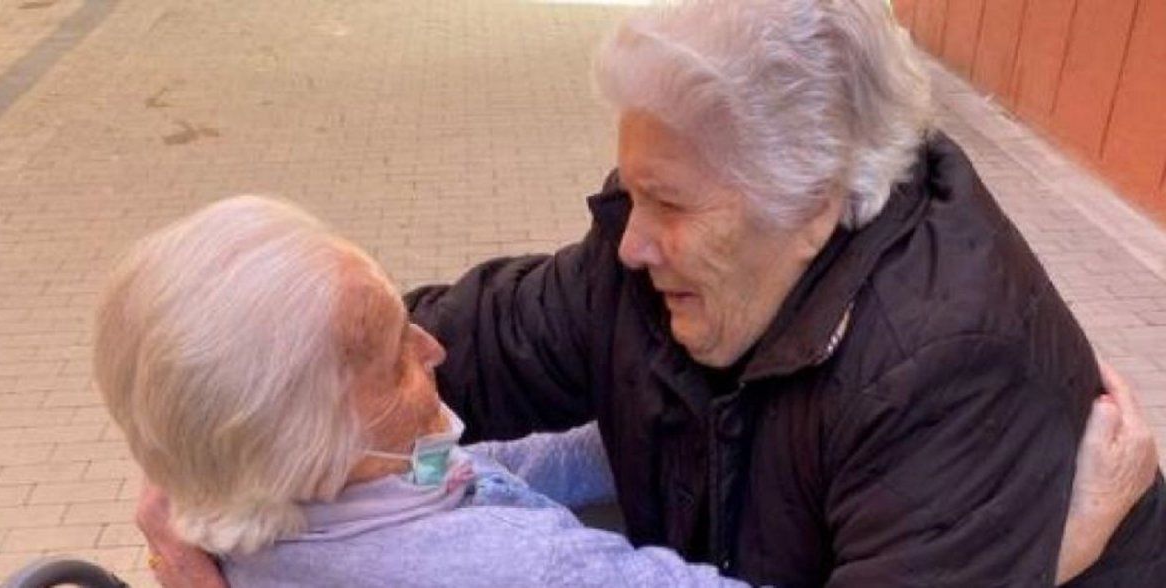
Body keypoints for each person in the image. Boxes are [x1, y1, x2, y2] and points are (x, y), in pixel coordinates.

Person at [137, 1, 1166, 586]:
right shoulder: (651, 265)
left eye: (667, 201)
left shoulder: (943, 363)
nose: (628, 242)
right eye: (630, 191)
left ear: (810, 199)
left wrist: (1045, 566)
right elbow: (453, 345)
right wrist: (215, 448)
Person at [95, 196, 760, 587]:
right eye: (394, 359)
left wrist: (663, 422)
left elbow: (490, 468)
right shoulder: (523, 570)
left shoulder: (287, 496)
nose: (433, 348)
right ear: (309, 442)